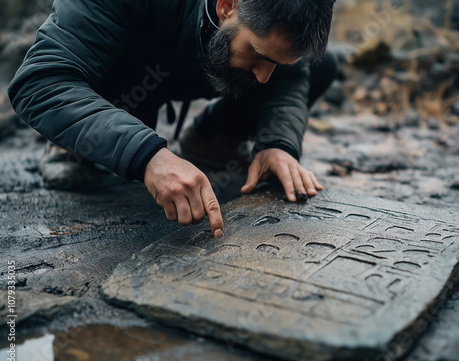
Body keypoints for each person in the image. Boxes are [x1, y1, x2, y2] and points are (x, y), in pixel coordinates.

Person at [8, 0, 338, 238]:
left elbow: (290, 79)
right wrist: (147, 154)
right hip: (121, 83)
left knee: (319, 67)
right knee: (102, 111)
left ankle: (213, 137)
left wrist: (277, 144)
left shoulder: (258, 38)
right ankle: (69, 144)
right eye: (259, 55)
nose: (264, 78)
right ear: (227, 6)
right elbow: (40, 82)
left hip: (190, 62)